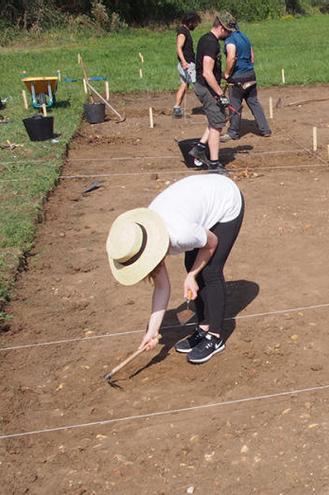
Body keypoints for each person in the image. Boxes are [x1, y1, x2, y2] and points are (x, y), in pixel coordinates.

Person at [105, 174, 245, 364]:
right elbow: (162, 287)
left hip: (225, 200)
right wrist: (152, 331)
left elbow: (212, 243)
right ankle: (203, 328)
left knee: (209, 271)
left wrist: (193, 275)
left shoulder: (180, 234)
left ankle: (215, 336)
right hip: (197, 207)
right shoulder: (146, 236)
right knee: (191, 264)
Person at [188, 12, 236, 172]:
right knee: (217, 125)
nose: (229, 34)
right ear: (221, 27)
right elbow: (207, 72)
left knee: (217, 118)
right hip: (206, 87)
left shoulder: (207, 39)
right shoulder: (211, 43)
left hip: (206, 86)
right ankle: (214, 165)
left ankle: (200, 149)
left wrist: (222, 75)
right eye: (228, 31)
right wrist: (221, 95)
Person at [221, 21, 271, 142]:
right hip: (251, 74)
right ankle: (265, 129)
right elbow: (252, 57)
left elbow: (231, 57)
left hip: (238, 77)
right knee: (254, 102)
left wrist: (227, 73)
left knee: (235, 105)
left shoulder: (230, 40)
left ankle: (233, 132)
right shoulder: (244, 37)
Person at [172, 11, 201, 119]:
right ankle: (209, 105)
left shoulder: (185, 31)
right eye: (195, 23)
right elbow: (179, 48)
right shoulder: (183, 32)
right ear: (190, 22)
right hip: (187, 64)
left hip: (186, 63)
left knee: (184, 85)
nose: (196, 25)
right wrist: (184, 62)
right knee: (197, 84)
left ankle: (177, 108)